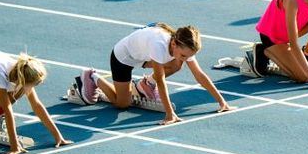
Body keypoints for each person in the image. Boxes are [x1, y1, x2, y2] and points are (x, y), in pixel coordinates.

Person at [77, 24, 230, 124]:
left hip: (143, 56)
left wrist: (222, 102)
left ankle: (146, 84)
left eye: (188, 56)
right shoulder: (159, 46)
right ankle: (92, 77)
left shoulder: (183, 48)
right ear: (174, 44)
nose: (185, 58)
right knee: (122, 104)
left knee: (177, 65)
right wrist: (170, 114)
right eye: (183, 55)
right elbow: (161, 80)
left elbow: (199, 75)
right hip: (124, 58)